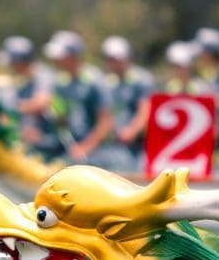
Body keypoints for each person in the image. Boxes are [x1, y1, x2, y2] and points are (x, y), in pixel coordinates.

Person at [41, 31, 124, 169]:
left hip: (100, 150)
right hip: (75, 147)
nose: (55, 60)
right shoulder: (61, 83)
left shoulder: (94, 80)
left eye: (60, 56)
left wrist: (85, 147)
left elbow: (106, 121)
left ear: (72, 56)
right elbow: (62, 119)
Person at [0, 35, 56, 155]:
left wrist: (12, 109)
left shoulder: (44, 75)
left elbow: (40, 104)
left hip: (51, 143)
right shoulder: (22, 81)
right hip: (31, 144)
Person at [100, 35, 152, 163]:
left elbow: (145, 111)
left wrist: (131, 132)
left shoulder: (141, 80)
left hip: (138, 146)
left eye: (116, 59)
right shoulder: (107, 82)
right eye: (110, 59)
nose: (113, 63)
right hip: (114, 144)